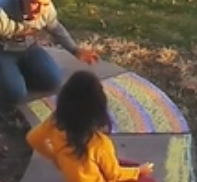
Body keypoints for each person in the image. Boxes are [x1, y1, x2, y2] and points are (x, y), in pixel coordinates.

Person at [26, 70, 156, 182]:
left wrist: (56, 157)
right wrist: (139, 171)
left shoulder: (55, 122)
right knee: (142, 176)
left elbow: (33, 138)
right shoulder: (99, 143)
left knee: (121, 163)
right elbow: (114, 175)